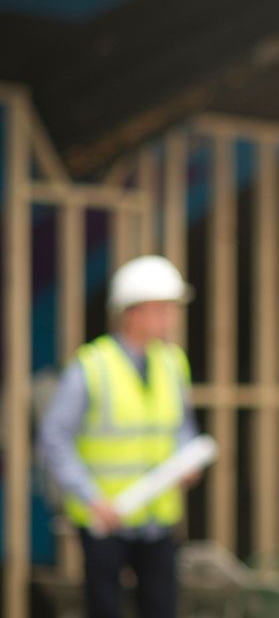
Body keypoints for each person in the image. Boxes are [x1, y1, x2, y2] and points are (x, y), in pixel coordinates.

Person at [39, 255, 201, 618]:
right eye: (161, 308)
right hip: (106, 519)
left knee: (161, 607)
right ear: (131, 312)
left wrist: (187, 458)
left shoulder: (173, 362)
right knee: (105, 608)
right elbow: (55, 437)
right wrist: (92, 498)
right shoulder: (92, 366)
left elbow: (181, 426)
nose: (170, 318)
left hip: (158, 518)